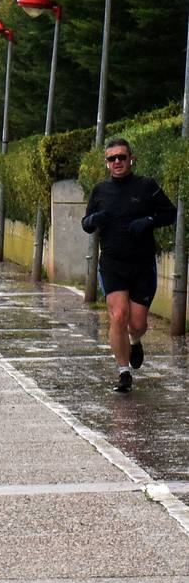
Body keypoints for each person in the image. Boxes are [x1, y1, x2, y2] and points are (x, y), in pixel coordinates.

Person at [80, 137, 178, 393]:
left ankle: (136, 340)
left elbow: (170, 213)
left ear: (131, 159)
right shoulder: (100, 191)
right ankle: (123, 372)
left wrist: (148, 220)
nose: (117, 162)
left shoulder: (146, 186)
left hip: (142, 264)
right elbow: (86, 223)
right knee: (118, 315)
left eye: (121, 157)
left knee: (136, 323)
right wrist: (93, 219)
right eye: (112, 159)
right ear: (106, 163)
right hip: (112, 263)